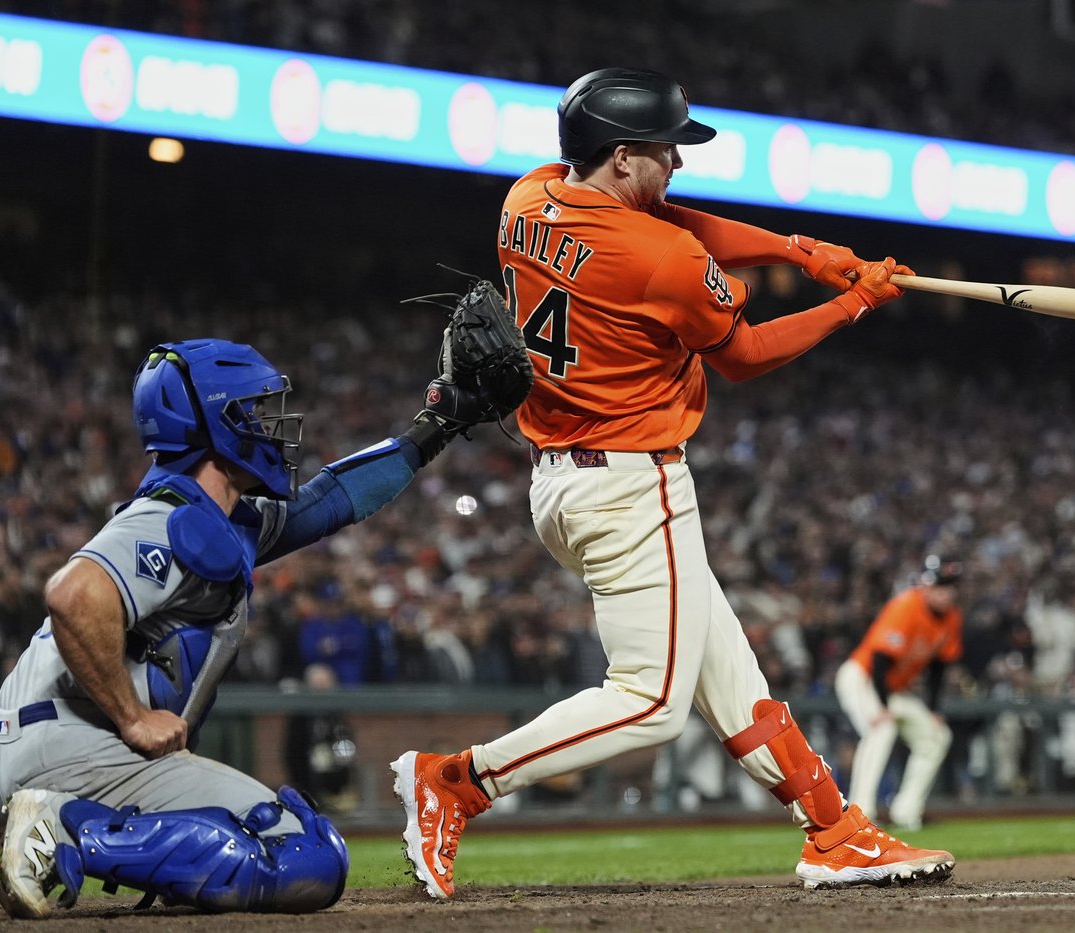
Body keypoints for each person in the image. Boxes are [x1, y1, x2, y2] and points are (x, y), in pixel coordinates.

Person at [392, 66, 953, 898]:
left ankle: (835, 830)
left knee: (730, 675)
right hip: (629, 483)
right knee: (650, 700)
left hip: (563, 480)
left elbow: (672, 222)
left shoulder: (527, 197)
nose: (676, 165)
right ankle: (458, 781)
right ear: (621, 157)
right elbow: (746, 354)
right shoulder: (661, 258)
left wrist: (797, 251)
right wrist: (853, 302)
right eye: (662, 150)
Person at [0, 335, 506, 918]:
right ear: (211, 426)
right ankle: (63, 830)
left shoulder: (218, 520)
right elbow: (72, 596)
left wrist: (438, 425)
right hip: (66, 751)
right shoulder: (175, 520)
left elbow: (332, 498)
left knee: (283, 844)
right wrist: (133, 716)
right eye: (252, 412)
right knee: (306, 855)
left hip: (29, 748)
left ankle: (66, 829)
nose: (271, 426)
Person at [834, 555, 963, 832]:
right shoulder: (906, 605)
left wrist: (933, 709)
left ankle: (906, 811)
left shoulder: (951, 618)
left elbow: (939, 667)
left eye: (951, 585)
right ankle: (860, 815)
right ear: (925, 586)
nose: (946, 592)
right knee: (881, 729)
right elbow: (880, 660)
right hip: (862, 678)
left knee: (937, 737)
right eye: (941, 585)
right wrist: (881, 707)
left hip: (893, 688)